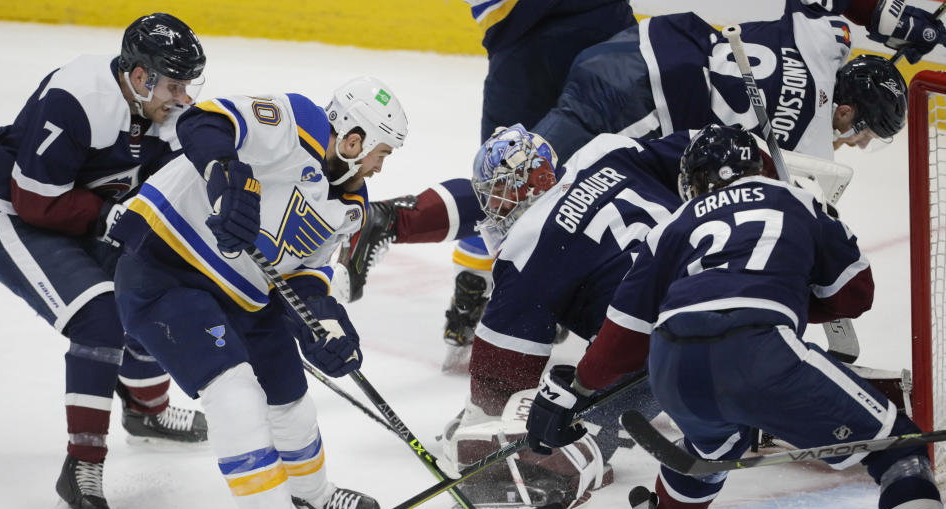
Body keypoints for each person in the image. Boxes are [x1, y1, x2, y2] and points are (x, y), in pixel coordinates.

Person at [339, 0, 920, 361]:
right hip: (637, 104)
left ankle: (394, 221)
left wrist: (892, 19)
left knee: (529, 173)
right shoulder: (808, 149)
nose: (858, 143)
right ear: (847, 112)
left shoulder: (823, 38)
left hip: (626, 46)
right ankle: (393, 222)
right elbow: (790, 238)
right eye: (864, 131)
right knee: (539, 184)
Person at [524, 124, 946, 509]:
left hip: (672, 364)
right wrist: (781, 290)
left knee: (715, 443)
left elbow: (621, 337)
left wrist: (573, 393)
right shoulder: (797, 200)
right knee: (900, 453)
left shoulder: (673, 225)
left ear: (694, 180)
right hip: (762, 351)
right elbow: (855, 294)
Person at [109, 76, 408, 509]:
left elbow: (309, 274)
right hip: (161, 267)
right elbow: (204, 120)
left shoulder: (351, 204)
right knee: (236, 395)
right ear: (353, 140)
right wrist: (225, 171)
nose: (381, 165)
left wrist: (324, 323)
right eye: (380, 151)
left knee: (290, 397)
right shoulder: (296, 123)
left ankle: (312, 491)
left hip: (246, 293)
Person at [0, 13, 210, 509]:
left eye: (187, 85)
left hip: (78, 206)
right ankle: (81, 466)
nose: (183, 97)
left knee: (159, 282)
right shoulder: (78, 95)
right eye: (174, 84)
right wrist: (116, 215)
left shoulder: (166, 110)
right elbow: (37, 202)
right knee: (99, 318)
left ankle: (146, 410)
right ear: (138, 77)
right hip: (10, 212)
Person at [339, 0, 636, 369]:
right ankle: (569, 296)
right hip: (603, 34)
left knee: (508, 172)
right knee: (604, 171)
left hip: (521, 42)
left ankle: (470, 292)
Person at [438, 123, 693, 509]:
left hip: (667, 349)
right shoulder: (607, 152)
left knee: (552, 440)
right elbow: (699, 150)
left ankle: (574, 455)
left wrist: (482, 425)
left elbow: (500, 375)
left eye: (501, 193)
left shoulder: (527, 244)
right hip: (737, 283)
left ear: (532, 180)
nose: (495, 208)